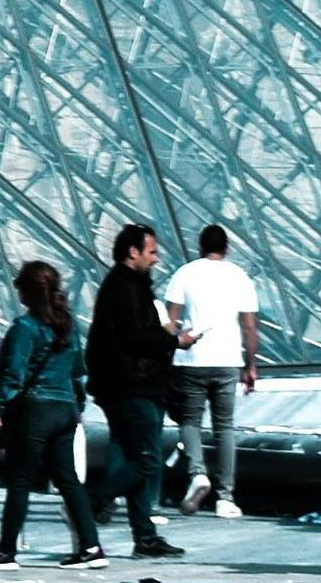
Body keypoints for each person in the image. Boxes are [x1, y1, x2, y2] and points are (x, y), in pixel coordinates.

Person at [0, 259, 99, 565]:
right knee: (69, 480)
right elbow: (78, 370)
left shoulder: (25, 327)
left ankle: (7, 549)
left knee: (20, 480)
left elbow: (13, 374)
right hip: (65, 410)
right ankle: (91, 546)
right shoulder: (68, 326)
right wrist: (78, 405)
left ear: (27, 292)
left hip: (35, 410)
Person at [84, 225, 186, 561]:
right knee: (147, 460)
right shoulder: (126, 287)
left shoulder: (124, 285)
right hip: (133, 385)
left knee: (136, 458)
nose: (156, 259)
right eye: (152, 252)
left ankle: (145, 537)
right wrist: (175, 340)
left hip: (127, 383)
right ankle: (89, 503)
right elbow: (136, 338)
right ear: (133, 252)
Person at [161, 224, 263, 514]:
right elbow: (250, 326)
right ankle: (226, 497)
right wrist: (251, 365)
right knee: (225, 427)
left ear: (199, 246)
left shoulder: (185, 273)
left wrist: (168, 348)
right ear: (227, 248)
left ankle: (197, 473)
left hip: (191, 358)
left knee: (190, 421)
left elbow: (170, 320)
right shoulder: (239, 276)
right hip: (228, 358)